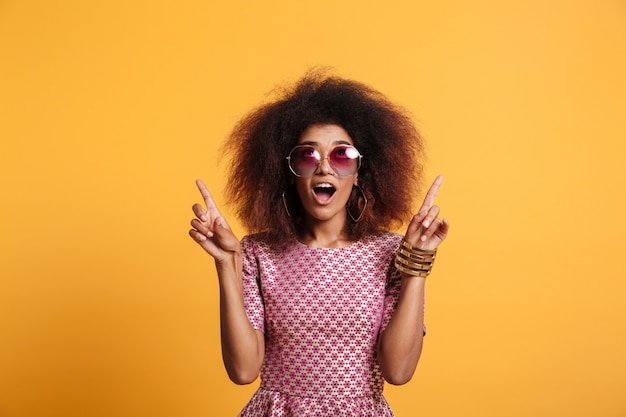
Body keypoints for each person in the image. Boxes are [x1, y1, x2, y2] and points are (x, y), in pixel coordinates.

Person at [189, 70, 449, 416]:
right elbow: (243, 371)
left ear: (360, 174)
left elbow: (398, 372)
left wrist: (417, 262)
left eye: (342, 156)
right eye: (307, 157)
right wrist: (226, 264)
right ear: (289, 173)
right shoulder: (257, 254)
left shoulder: (390, 253)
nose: (324, 168)